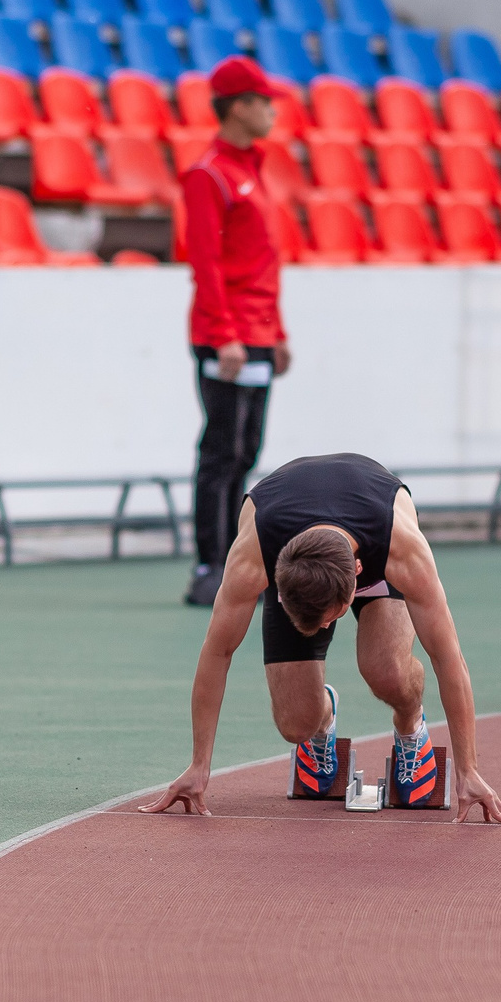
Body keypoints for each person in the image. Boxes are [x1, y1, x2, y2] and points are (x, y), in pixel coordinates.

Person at [140, 452, 501, 825]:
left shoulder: (401, 549)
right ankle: (322, 718)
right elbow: (217, 652)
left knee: (387, 671)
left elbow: (448, 657)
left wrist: (469, 769)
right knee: (296, 724)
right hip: (296, 552)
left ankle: (410, 726)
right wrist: (198, 765)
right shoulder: (255, 554)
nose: (325, 629)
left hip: (375, 539)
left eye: (328, 620)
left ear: (357, 577)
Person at [179, 56, 288, 608]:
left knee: (247, 449)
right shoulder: (210, 174)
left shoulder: (253, 170)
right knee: (222, 451)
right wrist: (225, 333)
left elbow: (263, 261)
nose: (272, 110)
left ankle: (238, 563)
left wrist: (278, 332)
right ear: (239, 106)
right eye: (264, 101)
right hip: (228, 334)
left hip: (256, 333)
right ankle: (209, 563)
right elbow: (207, 261)